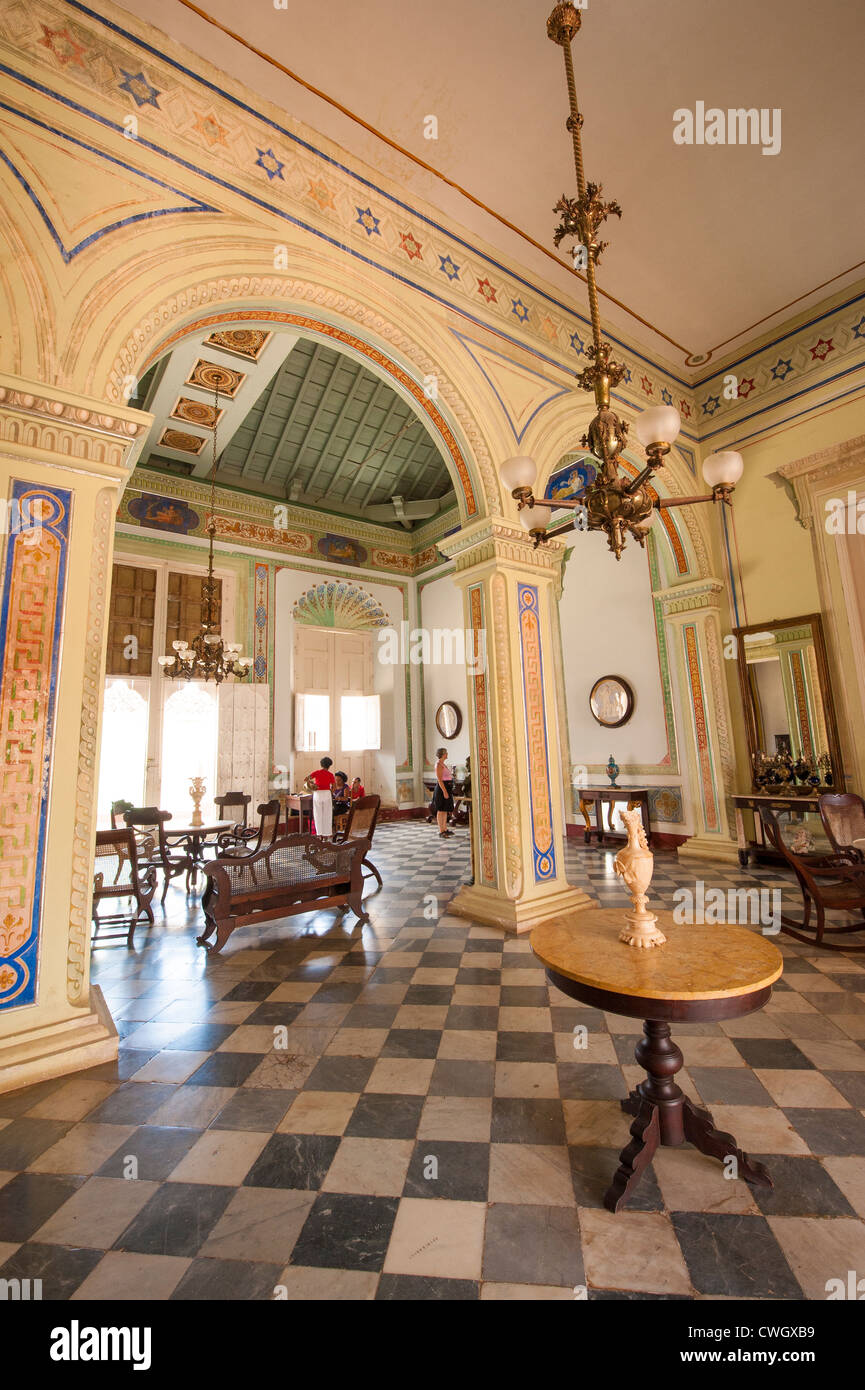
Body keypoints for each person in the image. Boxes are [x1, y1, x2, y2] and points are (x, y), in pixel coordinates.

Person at [307, 756, 335, 836]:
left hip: (317, 794)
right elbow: (334, 787)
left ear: (321, 764)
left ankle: (319, 834)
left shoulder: (316, 772)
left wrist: (312, 785)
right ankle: (327, 834)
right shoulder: (330, 774)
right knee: (327, 814)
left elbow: (307, 779)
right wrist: (330, 792)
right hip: (327, 793)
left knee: (317, 814)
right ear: (329, 766)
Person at [433, 746, 454, 838]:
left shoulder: (443, 764)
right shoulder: (438, 765)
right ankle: (441, 830)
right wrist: (444, 792)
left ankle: (445, 829)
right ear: (443, 754)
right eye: (446, 753)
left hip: (447, 787)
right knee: (441, 810)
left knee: (445, 810)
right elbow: (440, 780)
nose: (447, 754)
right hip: (442, 788)